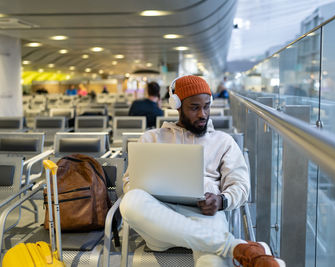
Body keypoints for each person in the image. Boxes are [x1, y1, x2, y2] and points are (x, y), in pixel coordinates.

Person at [120, 75, 284, 267]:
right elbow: (130, 183)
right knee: (131, 201)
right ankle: (234, 247)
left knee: (213, 263)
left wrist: (222, 200)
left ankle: (227, 247)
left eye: (206, 106)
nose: (203, 114)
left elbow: (241, 186)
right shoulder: (151, 139)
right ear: (177, 105)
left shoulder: (223, 142)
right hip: (161, 220)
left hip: (205, 217)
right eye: (194, 107)